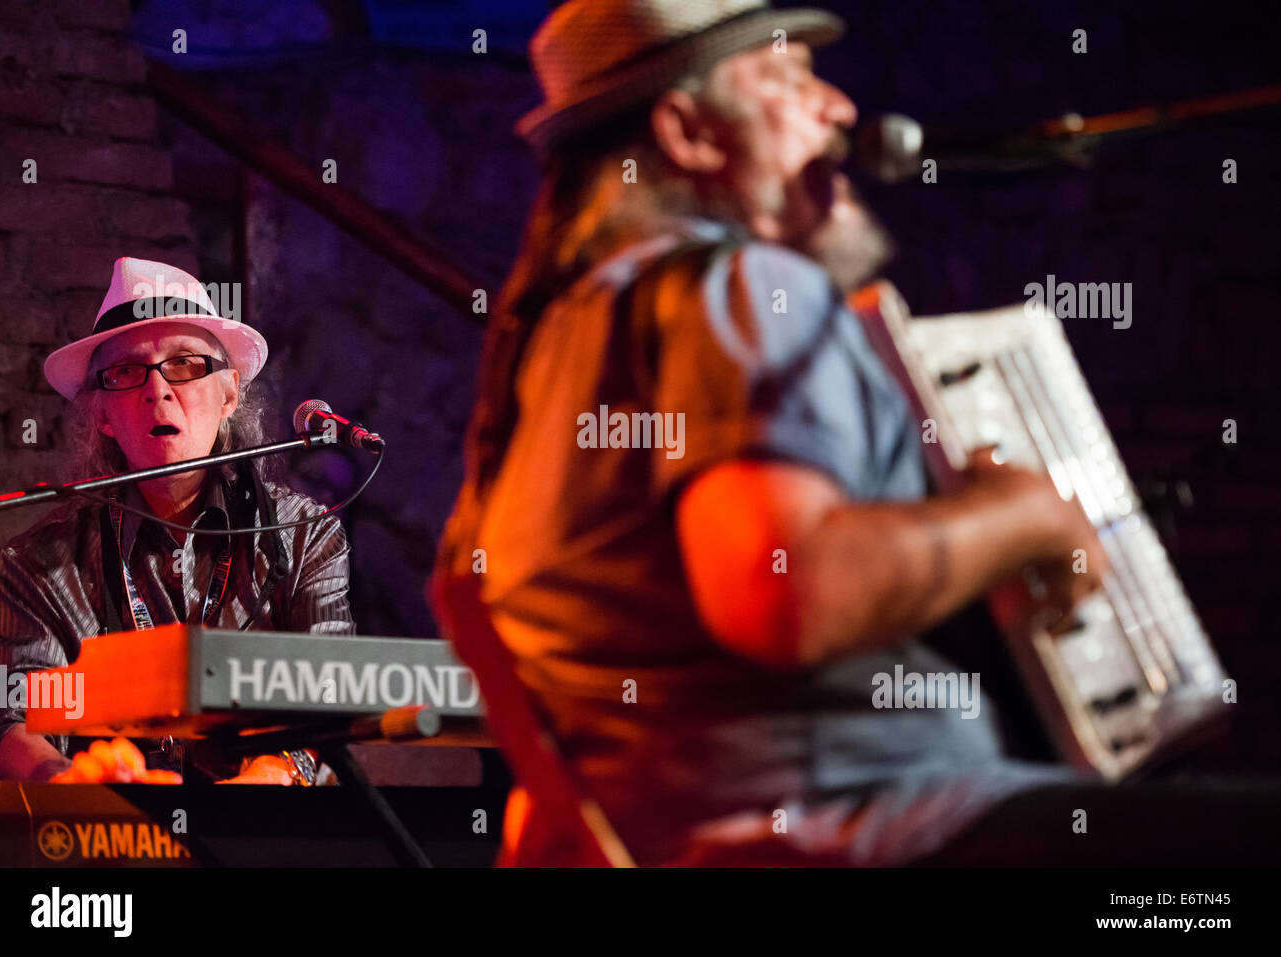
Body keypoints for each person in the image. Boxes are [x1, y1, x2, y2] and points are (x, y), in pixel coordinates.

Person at [433, 0, 1281, 866]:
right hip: (872, 824)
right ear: (689, 132)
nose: (839, 109)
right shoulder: (747, 286)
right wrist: (1028, 516)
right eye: (789, 76)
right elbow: (788, 590)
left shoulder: (556, 342)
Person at [0, 257, 354, 787]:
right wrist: (71, 780)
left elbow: (334, 693)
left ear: (228, 396)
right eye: (127, 372)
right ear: (104, 416)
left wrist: (270, 779)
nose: (157, 390)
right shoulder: (39, 563)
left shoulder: (304, 532)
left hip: (272, 836)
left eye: (184, 364)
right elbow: (12, 719)